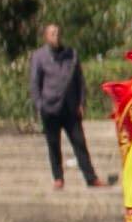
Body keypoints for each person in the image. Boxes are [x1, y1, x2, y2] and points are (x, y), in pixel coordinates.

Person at [29, 23, 96, 186]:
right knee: (53, 144)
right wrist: (40, 105)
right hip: (50, 108)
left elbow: (80, 80)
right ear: (46, 36)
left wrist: (81, 102)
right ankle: (58, 177)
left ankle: (91, 178)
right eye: (52, 34)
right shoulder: (39, 56)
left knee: (79, 142)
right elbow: (35, 82)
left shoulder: (71, 54)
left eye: (58, 33)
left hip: (70, 108)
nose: (56, 36)